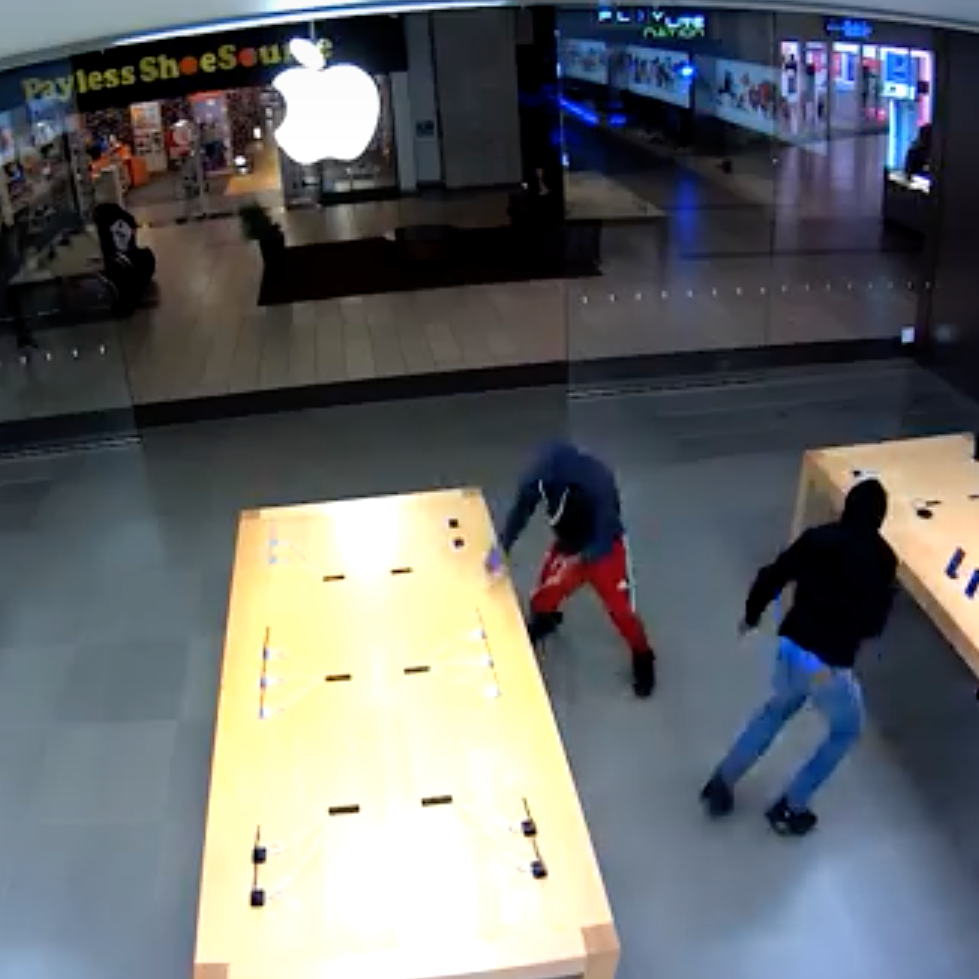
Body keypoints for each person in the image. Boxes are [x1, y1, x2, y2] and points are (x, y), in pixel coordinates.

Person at [700, 478, 897, 837]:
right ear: (880, 519)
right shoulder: (883, 560)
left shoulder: (817, 537)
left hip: (791, 647)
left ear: (845, 507)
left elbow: (772, 575)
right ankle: (791, 807)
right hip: (827, 666)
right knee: (846, 729)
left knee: (775, 711)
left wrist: (751, 615)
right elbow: (873, 626)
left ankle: (721, 782)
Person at [486, 441, 657, 698]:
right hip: (570, 543)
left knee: (622, 612)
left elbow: (606, 535)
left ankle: (643, 656)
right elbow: (522, 509)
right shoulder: (538, 478)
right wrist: (503, 546)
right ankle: (545, 619)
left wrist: (580, 560)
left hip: (605, 550)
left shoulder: (602, 487)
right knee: (544, 593)